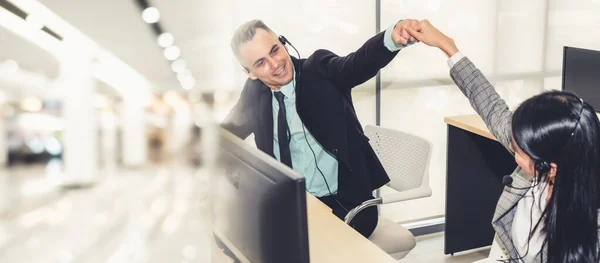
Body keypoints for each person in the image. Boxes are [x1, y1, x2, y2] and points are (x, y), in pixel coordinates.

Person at [406, 20, 600, 262]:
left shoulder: (588, 227)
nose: (511, 144)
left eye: (518, 149)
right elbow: (491, 106)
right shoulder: (541, 158)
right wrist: (448, 46)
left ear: (550, 168)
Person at [221, 18, 419, 237]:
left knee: (308, 247)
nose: (275, 63)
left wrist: (391, 39)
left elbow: (356, 64)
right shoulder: (253, 93)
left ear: (283, 43)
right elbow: (225, 134)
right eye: (260, 63)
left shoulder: (318, 69)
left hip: (347, 205)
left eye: (275, 50)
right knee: (237, 236)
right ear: (249, 72)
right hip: (291, 205)